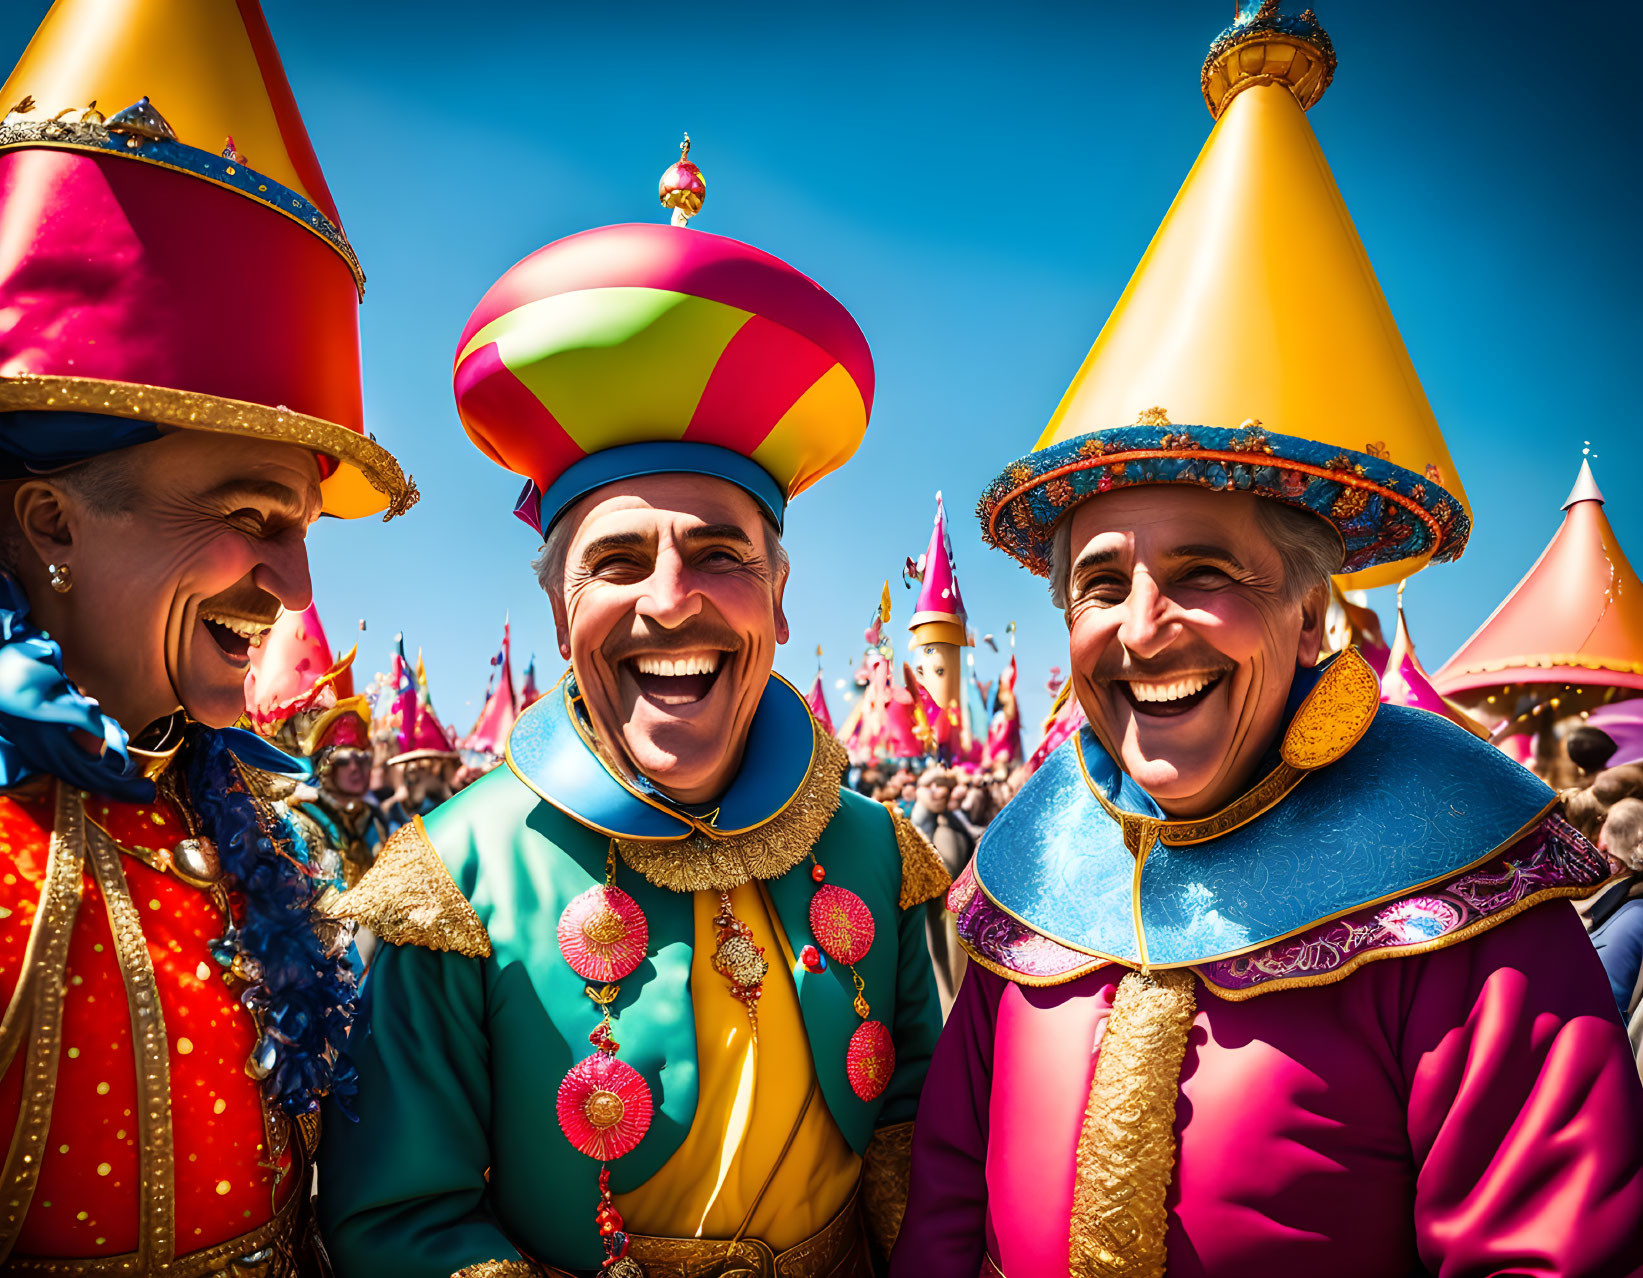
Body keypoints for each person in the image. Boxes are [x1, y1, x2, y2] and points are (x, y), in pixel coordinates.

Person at [893, 6, 1643, 1275]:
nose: (1141, 628)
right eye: (1097, 581)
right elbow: (948, 1217)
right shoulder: (1029, 871)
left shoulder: (1463, 896)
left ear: (1314, 615)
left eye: (1202, 574)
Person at [320, 148, 947, 1278]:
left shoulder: (875, 852)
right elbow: (398, 1220)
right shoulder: (449, 880)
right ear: (561, 619)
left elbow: (918, 1128)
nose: (670, 600)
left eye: (719, 553)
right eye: (617, 561)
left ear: (780, 600)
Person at [0, 0, 415, 1270]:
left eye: (300, 527)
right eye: (248, 514)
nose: (292, 585)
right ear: (48, 522)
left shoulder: (248, 826)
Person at [910, 771, 973, 1014]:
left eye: (943, 786)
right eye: (930, 785)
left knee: (952, 977)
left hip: (951, 913)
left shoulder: (950, 826)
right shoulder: (907, 822)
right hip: (927, 913)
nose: (938, 790)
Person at [1589, 798, 1643, 1019]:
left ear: (1616, 860)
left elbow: (1606, 1010)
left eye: (1604, 854)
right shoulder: (1631, 908)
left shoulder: (1631, 920)